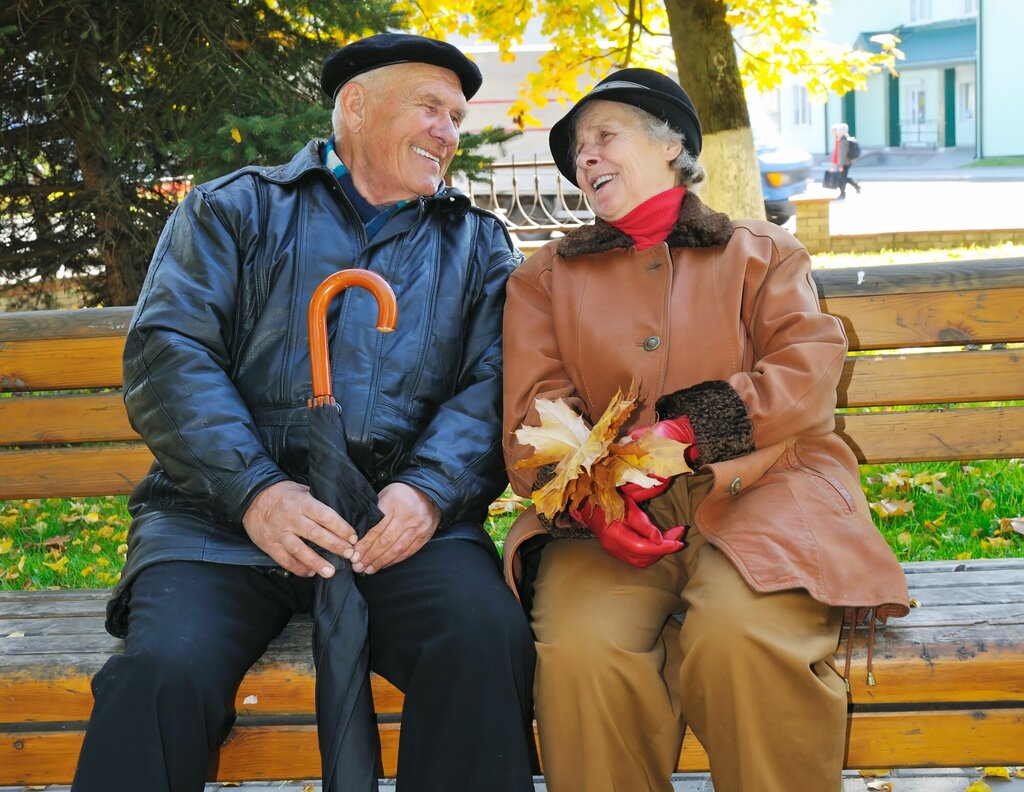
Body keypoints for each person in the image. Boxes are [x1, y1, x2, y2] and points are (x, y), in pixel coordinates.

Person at [72, 33, 536, 792]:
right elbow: (168, 357)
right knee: (160, 673)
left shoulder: (476, 243)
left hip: (397, 524)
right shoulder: (232, 210)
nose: (449, 133)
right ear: (355, 106)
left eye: (456, 116)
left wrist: (425, 492)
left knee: (484, 641)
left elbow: (496, 386)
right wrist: (257, 490)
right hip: (217, 521)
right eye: (431, 108)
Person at [501, 68, 910, 792]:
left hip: (765, 493)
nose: (586, 156)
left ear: (671, 146)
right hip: (611, 520)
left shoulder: (760, 251)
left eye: (605, 136)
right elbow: (536, 417)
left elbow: (808, 367)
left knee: (740, 639)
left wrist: (688, 432)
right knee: (583, 652)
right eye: (577, 151)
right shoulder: (545, 280)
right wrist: (597, 503)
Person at [832, 121, 861, 198]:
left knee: (842, 179)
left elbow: (842, 154)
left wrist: (840, 165)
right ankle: (855, 186)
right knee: (843, 178)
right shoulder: (846, 139)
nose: (837, 133)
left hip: (844, 163)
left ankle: (843, 194)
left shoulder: (843, 141)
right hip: (847, 162)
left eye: (838, 132)